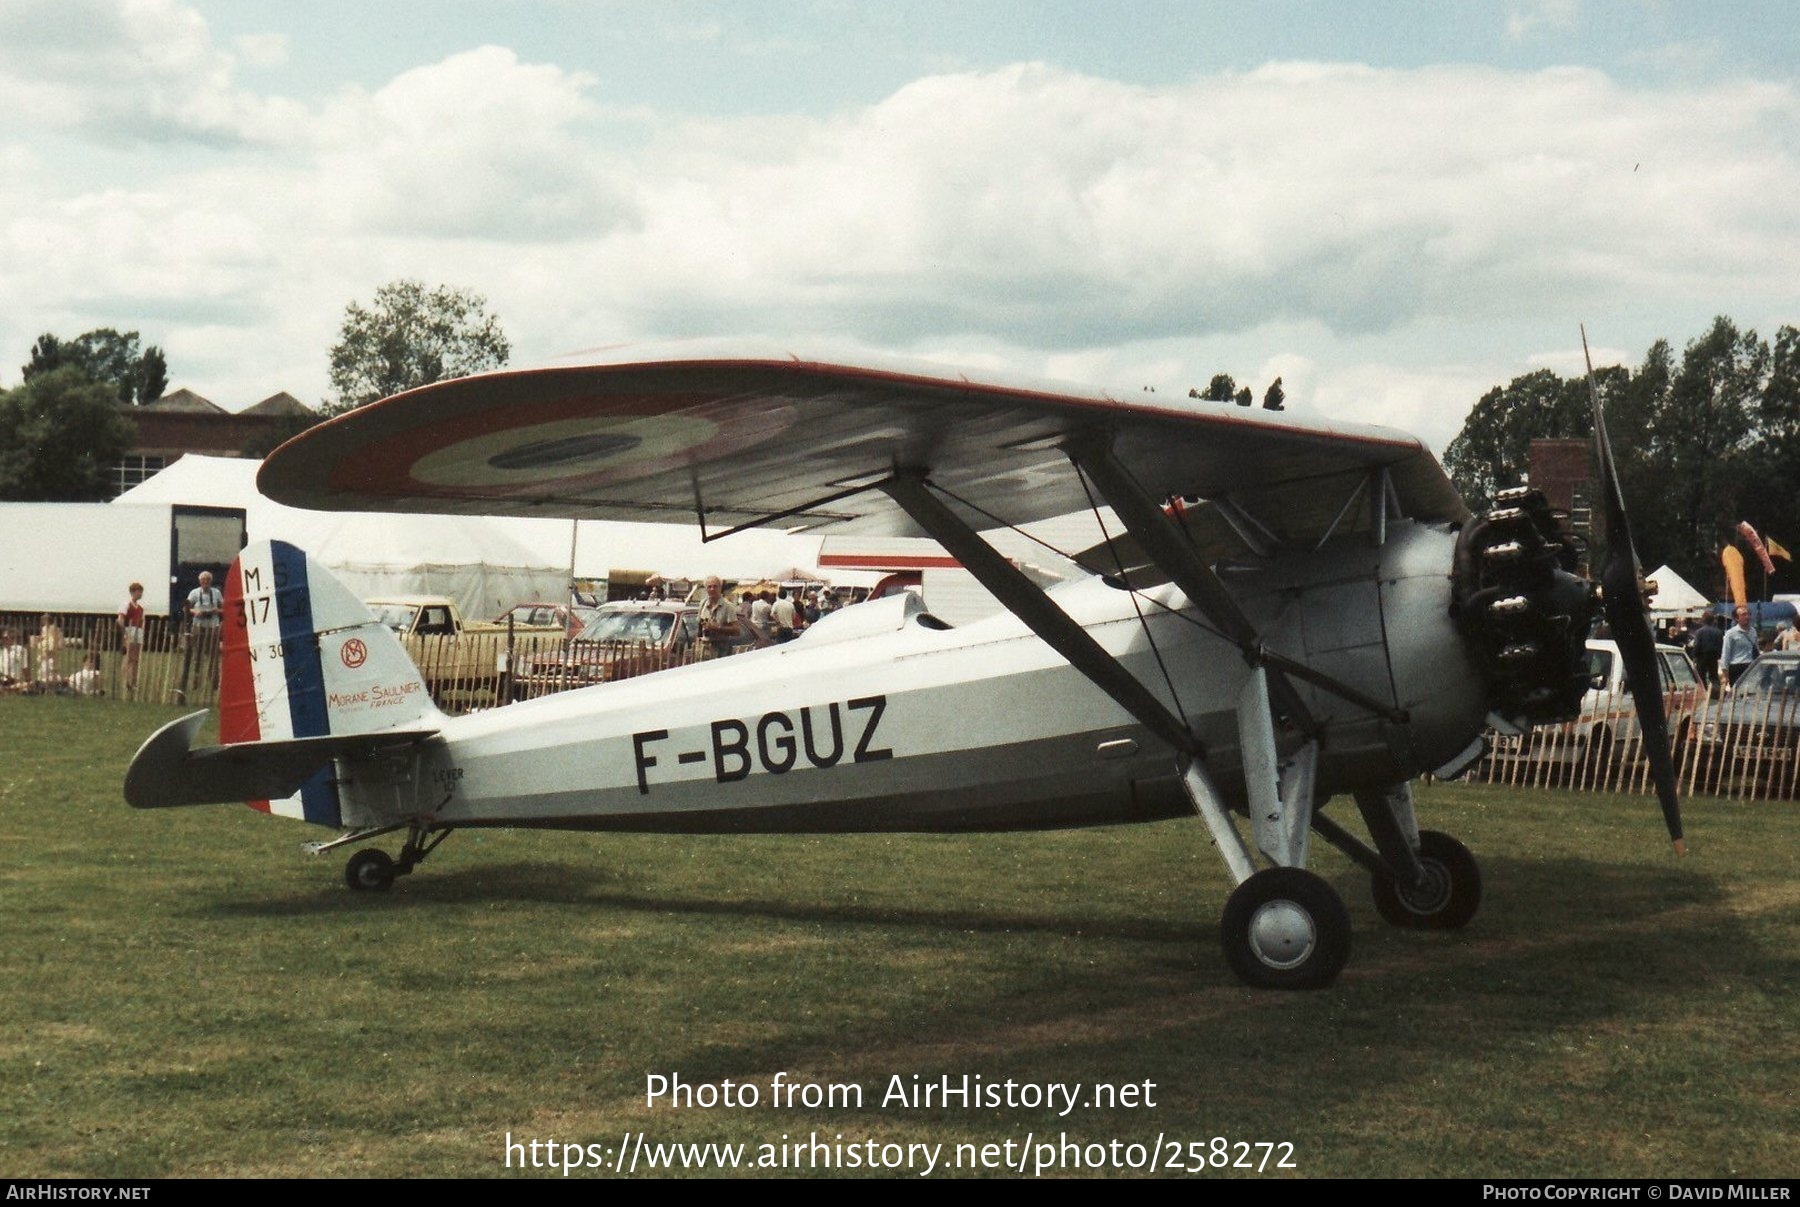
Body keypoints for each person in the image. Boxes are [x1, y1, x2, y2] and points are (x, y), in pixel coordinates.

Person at [179, 570, 225, 699]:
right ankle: (196, 680)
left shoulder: (216, 593)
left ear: (211, 581)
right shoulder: (194, 593)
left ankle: (214, 681)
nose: (205, 582)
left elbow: (224, 608)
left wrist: (216, 610)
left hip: (213, 626)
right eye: (203, 580)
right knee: (197, 654)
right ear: (200, 582)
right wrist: (195, 612)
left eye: (208, 580)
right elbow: (186, 608)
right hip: (198, 626)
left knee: (213, 654)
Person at [697, 576, 749, 659]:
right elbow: (699, 625)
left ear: (720, 588)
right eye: (709, 587)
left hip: (721, 650)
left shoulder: (728, 606)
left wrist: (718, 627)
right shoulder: (703, 604)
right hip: (705, 649)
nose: (712, 589)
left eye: (715, 586)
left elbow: (737, 630)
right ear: (706, 589)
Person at [1722, 605, 1759, 690]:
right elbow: (1726, 654)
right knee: (1738, 694)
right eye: (1743, 614)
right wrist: (1725, 675)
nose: (1747, 617)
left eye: (1748, 614)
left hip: (1751, 666)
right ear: (1737, 618)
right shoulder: (1730, 633)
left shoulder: (1753, 631)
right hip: (1737, 667)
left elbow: (1756, 648)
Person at [118, 582, 146, 697]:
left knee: (135, 658)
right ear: (133, 592)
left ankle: (133, 681)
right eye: (139, 592)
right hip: (130, 630)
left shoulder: (140, 608)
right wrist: (125, 634)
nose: (140, 594)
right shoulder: (126, 604)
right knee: (129, 657)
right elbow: (120, 619)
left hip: (138, 631)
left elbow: (142, 621)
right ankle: (125, 680)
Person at [1689, 613, 1725, 698]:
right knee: (1714, 676)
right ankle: (1717, 693)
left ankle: (1704, 693)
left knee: (1701, 676)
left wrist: (1694, 656)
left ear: (1703, 621)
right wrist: (1719, 656)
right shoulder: (1718, 632)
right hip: (1714, 656)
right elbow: (1721, 645)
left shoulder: (1699, 632)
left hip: (1702, 656)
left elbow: (1697, 645)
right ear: (1713, 621)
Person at [33, 613, 63, 683]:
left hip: (51, 647)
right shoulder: (44, 628)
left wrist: (52, 647)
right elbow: (44, 636)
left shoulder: (54, 628)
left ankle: (52, 681)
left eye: (45, 620)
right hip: (44, 647)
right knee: (43, 665)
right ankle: (43, 681)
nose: (43, 621)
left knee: (51, 666)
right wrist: (39, 638)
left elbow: (55, 638)